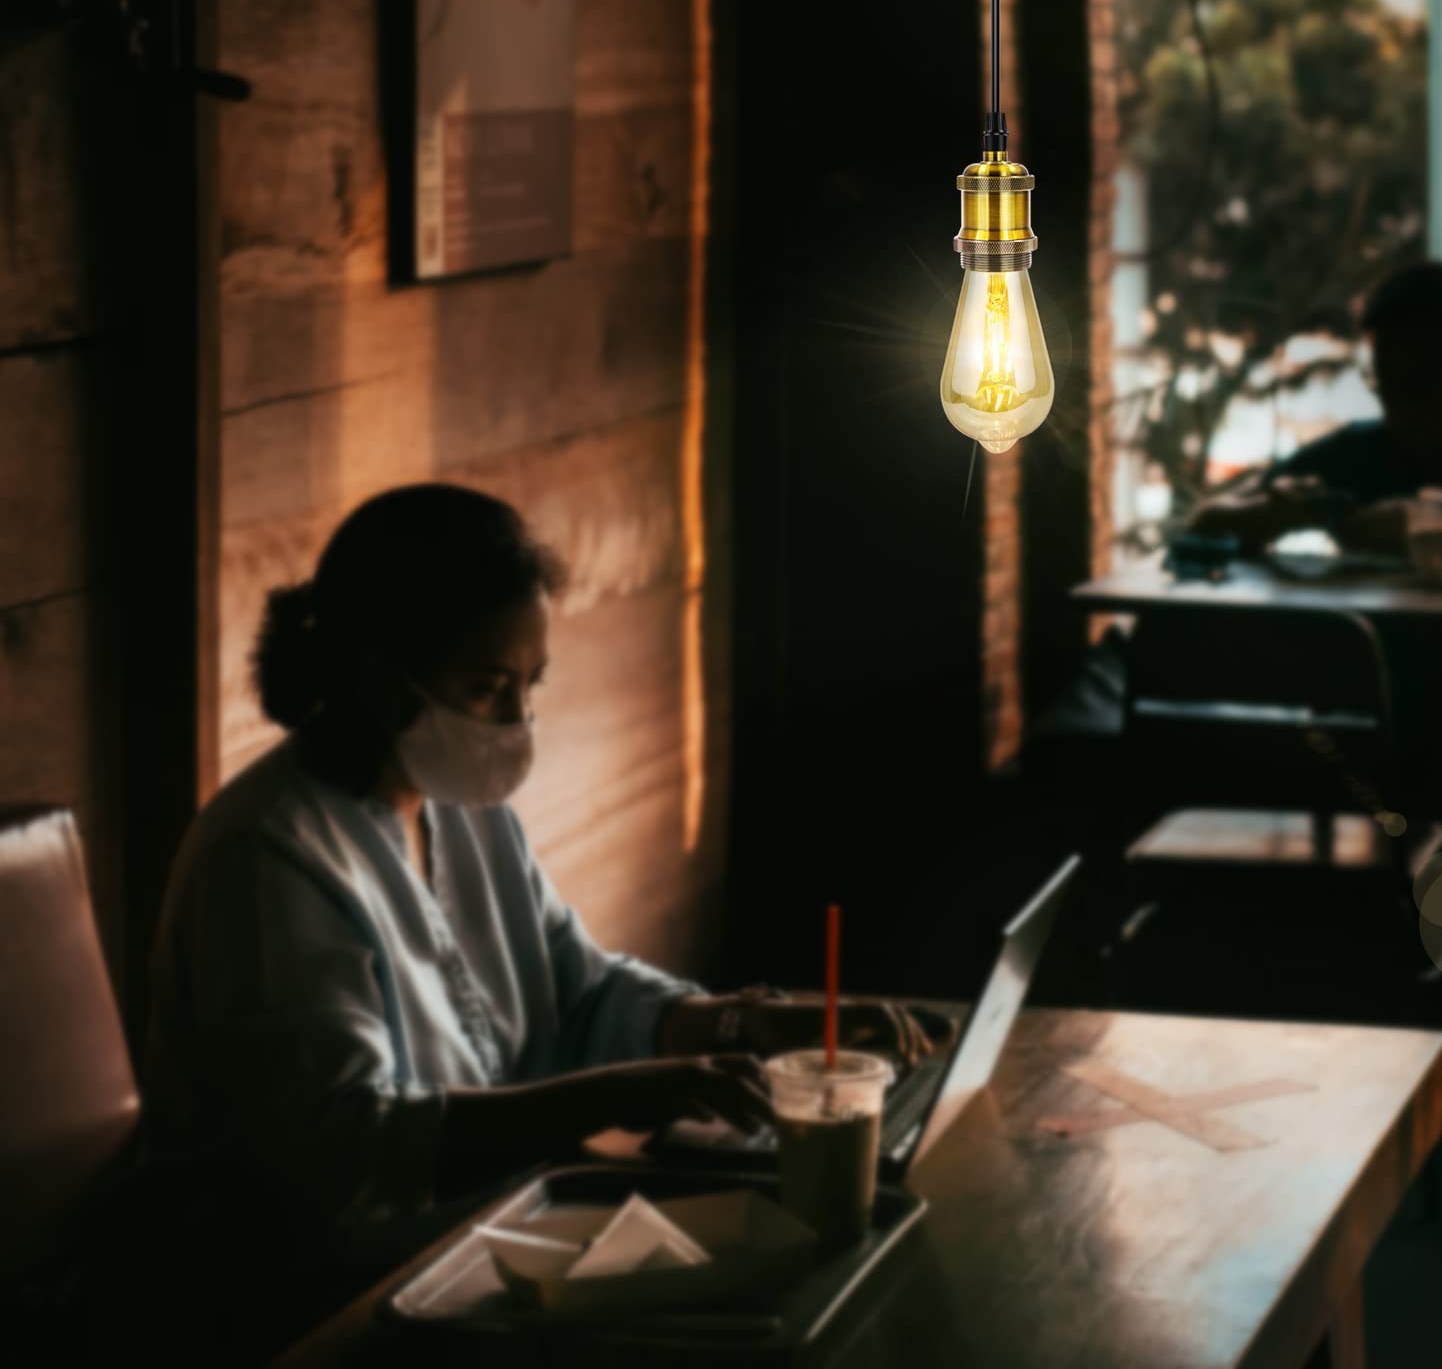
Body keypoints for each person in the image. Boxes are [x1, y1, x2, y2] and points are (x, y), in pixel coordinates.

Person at [144, 483, 932, 1349]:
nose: (519, 720)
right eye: (487, 688)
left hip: (503, 1253)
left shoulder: (461, 810)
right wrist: (619, 1095)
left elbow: (580, 992)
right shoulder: (268, 861)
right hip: (336, 1311)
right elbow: (345, 1152)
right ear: (376, 674)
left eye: (531, 684)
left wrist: (747, 1021)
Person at [1190, 263, 1442, 1070]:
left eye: (1425, 380)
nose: (1404, 405)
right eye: (1388, 384)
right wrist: (1275, 512)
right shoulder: (1358, 455)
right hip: (1398, 695)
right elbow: (1211, 521)